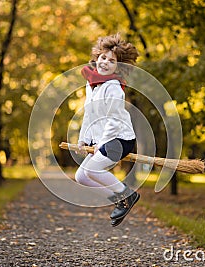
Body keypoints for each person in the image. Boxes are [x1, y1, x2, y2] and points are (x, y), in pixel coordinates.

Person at [75, 33, 140, 227]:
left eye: (111, 61)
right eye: (103, 57)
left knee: (92, 169)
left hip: (119, 138)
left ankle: (128, 196)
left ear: (118, 67)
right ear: (97, 57)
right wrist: (84, 140)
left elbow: (113, 122)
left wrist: (101, 145)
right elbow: (89, 114)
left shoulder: (113, 87)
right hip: (102, 140)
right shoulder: (91, 83)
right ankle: (120, 200)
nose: (105, 62)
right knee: (81, 177)